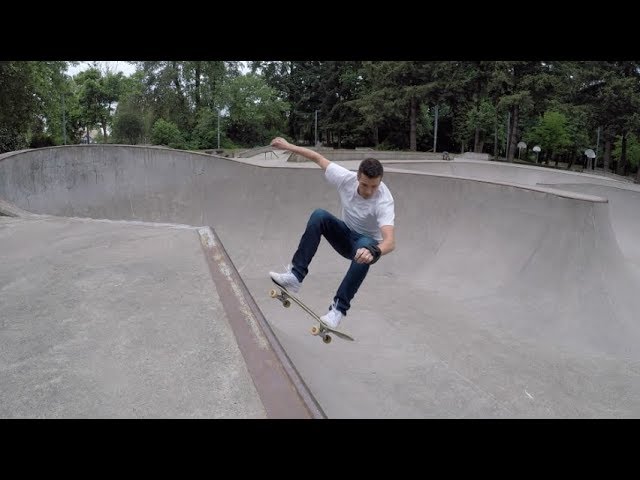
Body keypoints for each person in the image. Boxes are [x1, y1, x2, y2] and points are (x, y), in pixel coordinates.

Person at [269, 137, 396, 329]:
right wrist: (287, 146)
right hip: (344, 235)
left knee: (364, 247)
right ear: (357, 178)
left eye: (374, 186)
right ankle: (296, 276)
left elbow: (390, 241)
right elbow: (317, 157)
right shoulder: (344, 178)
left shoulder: (383, 201)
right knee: (319, 215)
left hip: (365, 245)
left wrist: (374, 251)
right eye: (364, 185)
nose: (369, 191)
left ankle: (338, 310)